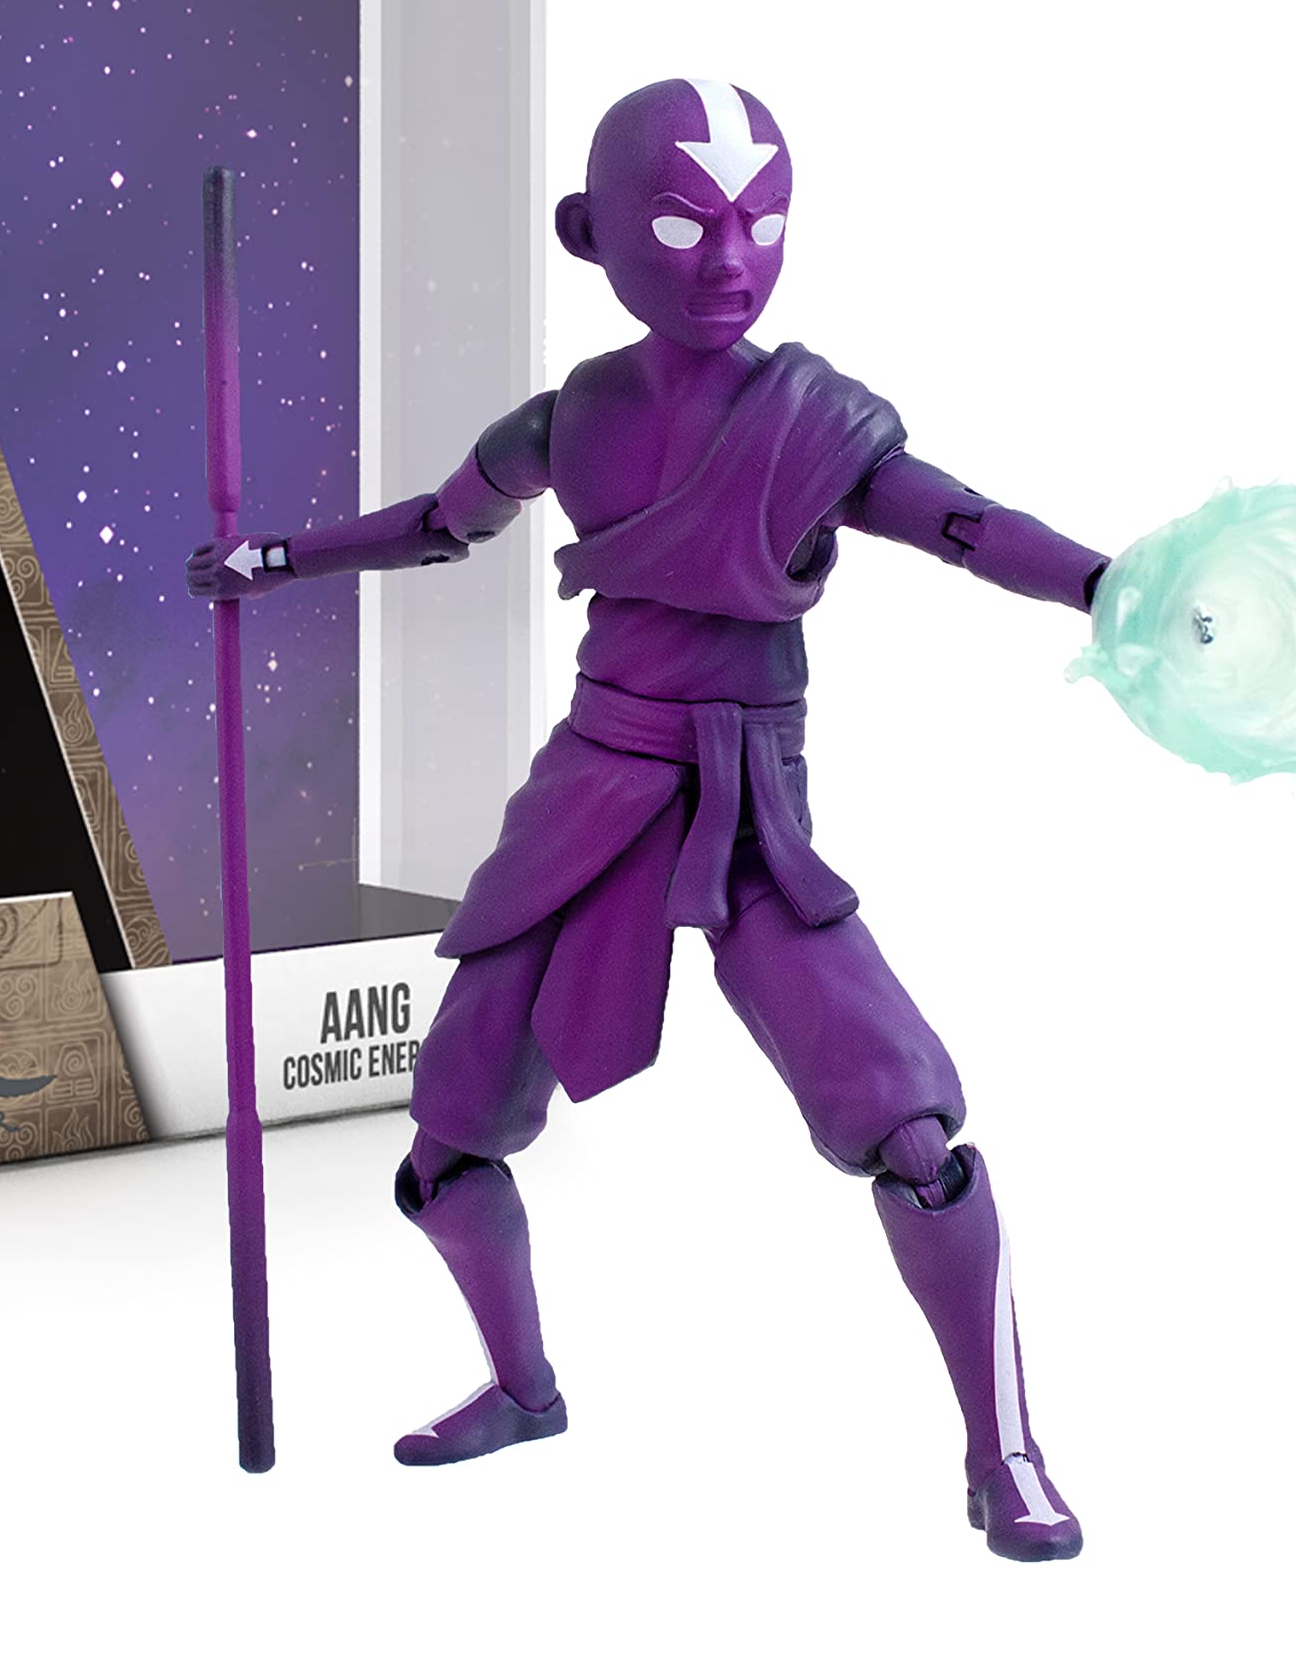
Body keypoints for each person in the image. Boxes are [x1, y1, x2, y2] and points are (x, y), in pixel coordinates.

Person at [188, 77, 1105, 1560]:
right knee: (448, 1140)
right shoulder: (570, 423)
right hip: (593, 789)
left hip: (748, 806)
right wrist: (278, 558)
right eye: (680, 225)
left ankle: (1003, 1449)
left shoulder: (815, 424)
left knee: (912, 1133)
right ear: (589, 234)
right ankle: (523, 1389)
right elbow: (438, 525)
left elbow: (966, 525)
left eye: (760, 221)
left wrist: (1108, 586)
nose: (728, 260)